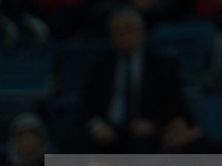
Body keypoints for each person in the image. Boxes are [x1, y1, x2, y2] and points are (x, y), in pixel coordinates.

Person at [80, 7, 198, 155]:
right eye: (117, 31)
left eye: (129, 30)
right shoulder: (100, 66)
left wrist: (155, 124)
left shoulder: (162, 65)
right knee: (79, 141)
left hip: (146, 129)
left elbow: (174, 102)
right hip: (108, 127)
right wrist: (97, 126)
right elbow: (86, 105)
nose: (123, 36)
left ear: (142, 32)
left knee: (147, 142)